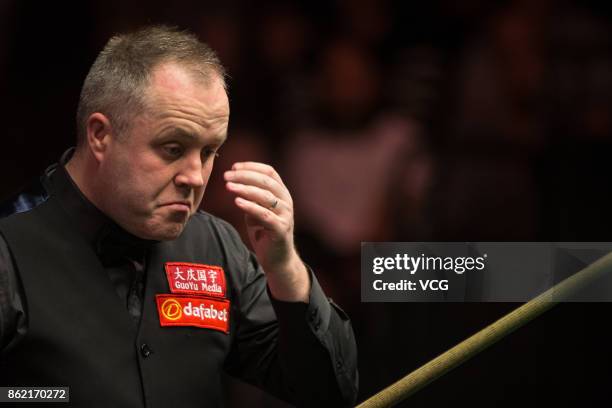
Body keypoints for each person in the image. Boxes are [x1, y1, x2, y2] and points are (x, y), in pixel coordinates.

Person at [0, 26, 358, 407]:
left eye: (208, 153)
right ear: (101, 136)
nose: (196, 176)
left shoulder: (216, 248)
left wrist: (286, 268)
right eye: (173, 148)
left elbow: (329, 393)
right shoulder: (9, 248)